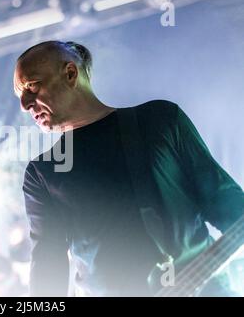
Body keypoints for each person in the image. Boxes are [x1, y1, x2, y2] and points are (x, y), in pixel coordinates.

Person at [13, 40, 244, 296]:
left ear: (70, 74)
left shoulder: (159, 120)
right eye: (20, 95)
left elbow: (226, 203)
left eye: (31, 86)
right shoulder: (43, 172)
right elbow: (47, 265)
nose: (24, 104)